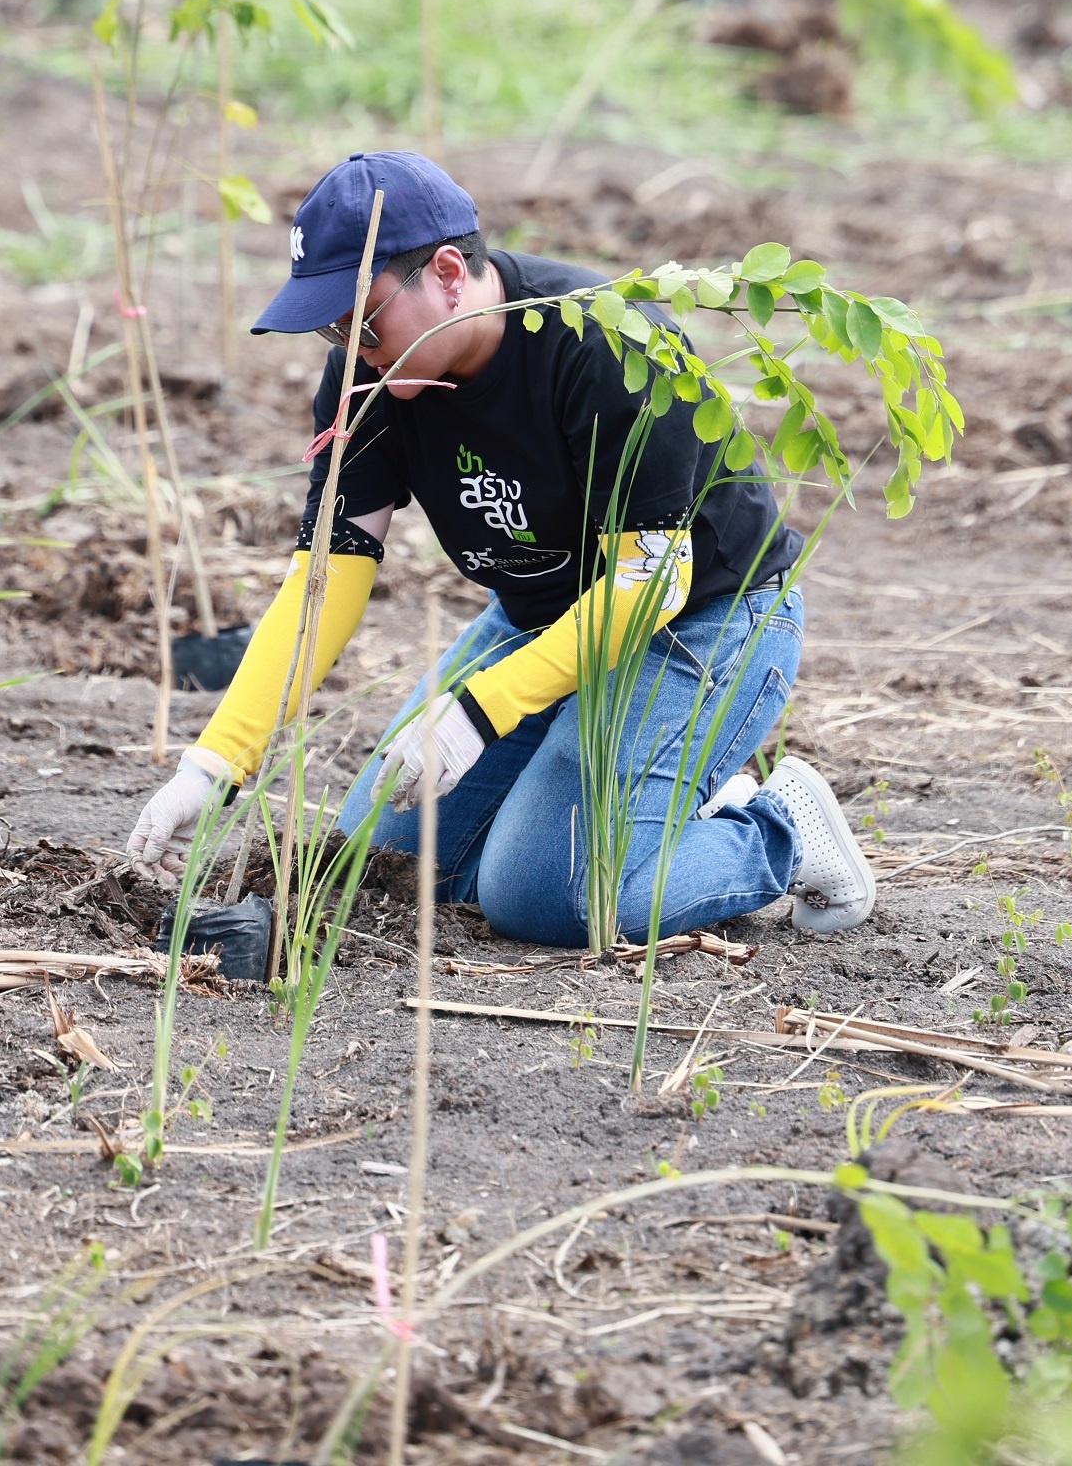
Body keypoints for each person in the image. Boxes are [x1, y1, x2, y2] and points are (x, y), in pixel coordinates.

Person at [126, 149, 876, 946]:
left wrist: (479, 712)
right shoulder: (368, 378)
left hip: (699, 624)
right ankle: (641, 803)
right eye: (331, 327)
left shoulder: (607, 347)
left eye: (363, 318)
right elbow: (325, 581)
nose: (350, 344)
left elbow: (648, 585)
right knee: (378, 871)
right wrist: (214, 765)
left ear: (448, 271)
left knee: (546, 898)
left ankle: (777, 826)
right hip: (541, 624)